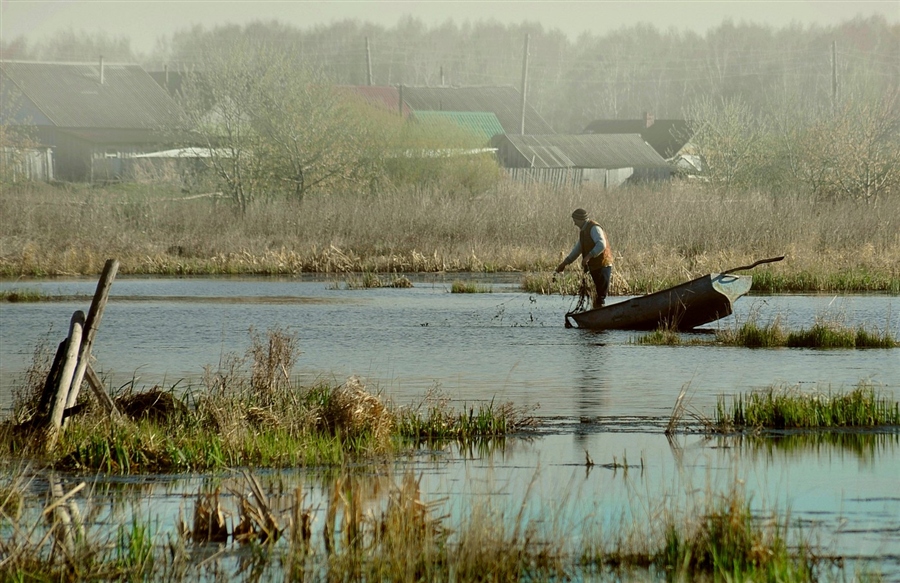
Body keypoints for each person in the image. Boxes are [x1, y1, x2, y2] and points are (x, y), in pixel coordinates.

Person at [555, 208, 613, 308]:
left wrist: (588, 256)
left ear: (580, 219)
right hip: (594, 266)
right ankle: (596, 315)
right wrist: (564, 264)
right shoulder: (584, 231)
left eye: (575, 221)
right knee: (595, 296)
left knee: (600, 296)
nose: (574, 224)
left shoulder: (594, 228)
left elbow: (601, 244)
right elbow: (578, 250)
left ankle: (601, 316)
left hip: (603, 265)